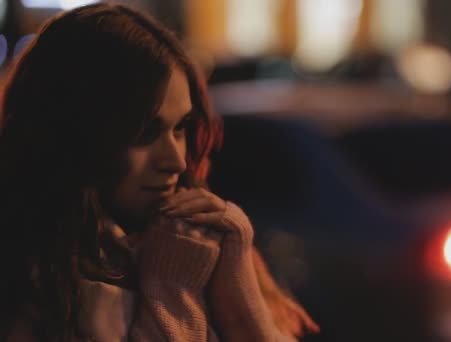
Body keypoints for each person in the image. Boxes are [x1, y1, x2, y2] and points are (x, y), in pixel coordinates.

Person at [0, 3, 318, 341]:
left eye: (180, 128)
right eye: (145, 132)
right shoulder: (36, 277)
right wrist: (173, 289)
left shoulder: (197, 235)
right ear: (74, 133)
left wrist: (237, 265)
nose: (176, 161)